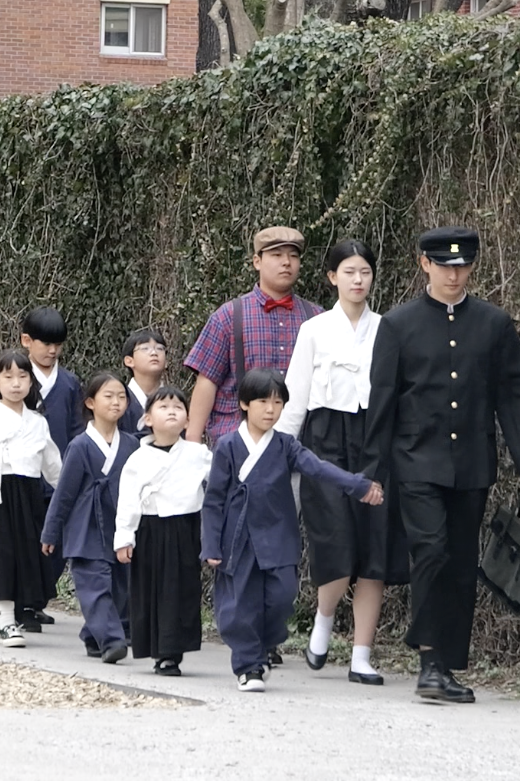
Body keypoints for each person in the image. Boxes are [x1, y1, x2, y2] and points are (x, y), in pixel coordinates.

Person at [363, 226, 520, 704]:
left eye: (462, 266)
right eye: (444, 265)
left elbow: (514, 392)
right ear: (425, 264)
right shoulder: (398, 324)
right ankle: (427, 662)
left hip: (471, 462)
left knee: (460, 563)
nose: (454, 274)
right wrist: (371, 471)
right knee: (431, 551)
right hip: (415, 459)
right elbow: (382, 399)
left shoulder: (493, 323)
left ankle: (444, 664)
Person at [201, 368, 384, 693]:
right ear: (244, 404)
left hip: (277, 535)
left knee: (283, 597)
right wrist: (211, 544)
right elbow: (214, 499)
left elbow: (318, 467)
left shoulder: (286, 445)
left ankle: (263, 646)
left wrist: (357, 485)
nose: (271, 409)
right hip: (238, 538)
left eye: (278, 402)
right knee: (240, 605)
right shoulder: (228, 446)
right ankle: (249, 666)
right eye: (262, 401)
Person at [276, 239, 409, 686]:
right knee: (337, 543)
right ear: (332, 277)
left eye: (365, 272)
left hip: (375, 441)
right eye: (348, 272)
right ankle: (325, 616)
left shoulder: (389, 328)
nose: (357, 280)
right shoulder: (314, 330)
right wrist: (277, 453)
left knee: (375, 548)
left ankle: (361, 655)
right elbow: (294, 398)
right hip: (324, 442)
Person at [184, 226, 322, 447]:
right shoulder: (229, 316)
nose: (286, 262)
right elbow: (207, 381)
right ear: (257, 261)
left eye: (293, 256)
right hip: (236, 444)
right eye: (277, 255)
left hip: (300, 447)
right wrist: (191, 442)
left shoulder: (317, 318)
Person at [114, 386, 213, 676]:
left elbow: (221, 484)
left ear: (187, 420)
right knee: (152, 590)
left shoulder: (199, 454)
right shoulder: (138, 459)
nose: (172, 411)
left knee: (181, 590)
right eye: (163, 406)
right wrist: (124, 538)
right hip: (150, 529)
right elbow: (128, 501)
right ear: (147, 419)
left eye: (178, 407)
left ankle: (173, 652)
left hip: (186, 529)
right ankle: (157, 648)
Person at [41, 372, 139, 663]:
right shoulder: (80, 445)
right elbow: (64, 494)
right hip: (85, 526)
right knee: (94, 585)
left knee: (120, 587)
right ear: (90, 403)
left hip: (119, 525)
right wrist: (51, 532)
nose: (116, 402)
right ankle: (111, 640)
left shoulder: (132, 445)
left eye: (121, 397)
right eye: (108, 396)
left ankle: (92, 634)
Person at [0, 349, 63, 648]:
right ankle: (5, 619)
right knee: (2, 557)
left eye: (23, 376)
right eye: (8, 377)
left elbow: (53, 466)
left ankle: (10, 611)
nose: (16, 384)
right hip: (0, 496)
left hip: (30, 495)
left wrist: (71, 494)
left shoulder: (38, 422)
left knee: (28, 556)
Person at [20, 306, 84, 630]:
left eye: (57, 343)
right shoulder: (16, 378)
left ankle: (39, 597)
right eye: (45, 343)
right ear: (26, 341)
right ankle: (26, 604)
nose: (52, 350)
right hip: (25, 476)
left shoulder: (70, 383)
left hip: (60, 477)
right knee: (29, 541)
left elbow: (76, 430)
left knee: (56, 543)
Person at [118, 328, 167, 435]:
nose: (154, 353)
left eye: (160, 348)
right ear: (129, 361)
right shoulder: (120, 400)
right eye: (145, 348)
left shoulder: (174, 399)